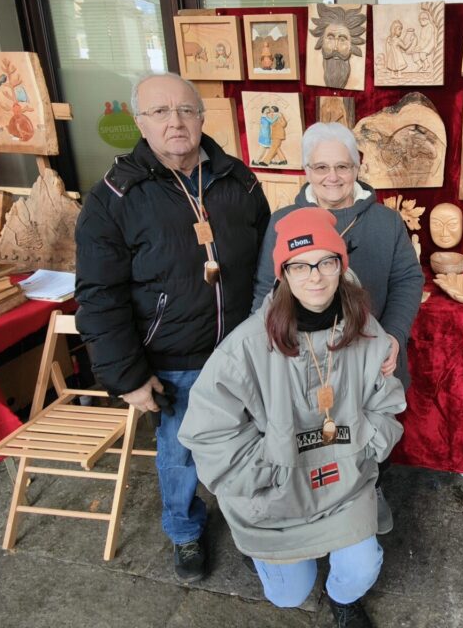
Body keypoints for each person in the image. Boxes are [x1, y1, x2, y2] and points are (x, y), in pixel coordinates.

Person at [75, 72, 270, 584]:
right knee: (178, 454)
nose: (175, 122)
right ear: (140, 123)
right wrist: (128, 377)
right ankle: (185, 532)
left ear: (203, 118)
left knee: (250, 445)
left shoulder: (238, 180)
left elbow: (268, 266)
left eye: (185, 110)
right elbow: (99, 296)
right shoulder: (114, 197)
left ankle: (253, 524)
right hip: (172, 359)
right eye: (160, 112)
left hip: (241, 353)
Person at [180, 207, 405, 626]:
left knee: (360, 570)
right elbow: (209, 431)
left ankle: (342, 598)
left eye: (326, 262)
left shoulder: (365, 329)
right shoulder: (245, 345)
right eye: (299, 265)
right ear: (282, 272)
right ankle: (273, 562)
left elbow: (386, 401)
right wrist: (269, 470)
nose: (315, 276)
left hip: (345, 486)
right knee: (289, 595)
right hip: (278, 495)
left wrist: (367, 441)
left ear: (341, 265)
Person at [252, 122, 423, 534]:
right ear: (306, 170)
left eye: (343, 166)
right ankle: (310, 499)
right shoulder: (282, 221)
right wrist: (265, 349)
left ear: (358, 165)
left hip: (366, 357)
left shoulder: (386, 222)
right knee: (310, 433)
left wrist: (396, 338)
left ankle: (368, 490)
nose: (333, 177)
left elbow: (408, 281)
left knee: (367, 430)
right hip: (302, 358)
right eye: (321, 166)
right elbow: (265, 289)